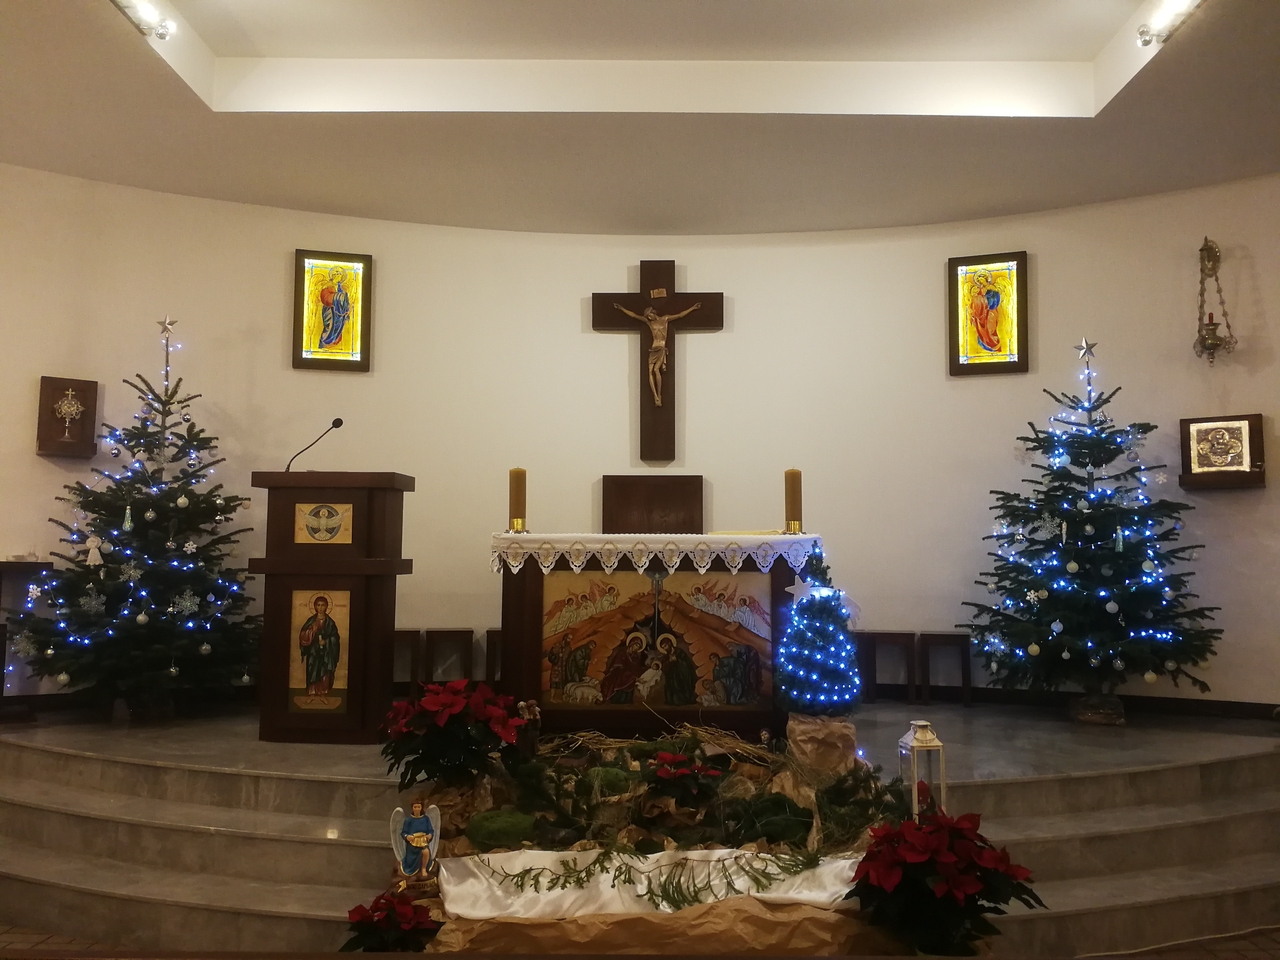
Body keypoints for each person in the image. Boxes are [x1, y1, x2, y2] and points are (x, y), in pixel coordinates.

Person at [612, 301, 703, 406]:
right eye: (647, 316)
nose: (649, 317)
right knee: (650, 371)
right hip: (653, 348)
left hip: (661, 348)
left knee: (656, 370)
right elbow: (634, 315)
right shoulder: (649, 322)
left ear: (653, 312)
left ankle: (659, 395)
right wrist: (621, 308)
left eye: (649, 315)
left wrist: (692, 308)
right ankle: (655, 396)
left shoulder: (665, 319)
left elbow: (679, 315)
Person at [298, 595, 341, 695]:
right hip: (313, 651)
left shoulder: (330, 623)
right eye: (318, 605)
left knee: (324, 671)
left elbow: (335, 638)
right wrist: (311, 632)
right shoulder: (311, 621)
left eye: (323, 605)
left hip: (326, 653)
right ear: (315, 606)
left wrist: (327, 642)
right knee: (312, 670)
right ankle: (312, 693)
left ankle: (323, 693)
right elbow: (303, 636)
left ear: (326, 606)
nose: (320, 607)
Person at [601, 633, 646, 703]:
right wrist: (626, 670)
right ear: (632, 643)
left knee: (632, 678)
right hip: (619, 673)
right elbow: (617, 664)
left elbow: (636, 668)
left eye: (639, 647)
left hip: (629, 675)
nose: (637, 648)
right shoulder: (622, 652)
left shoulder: (635, 657)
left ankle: (627, 700)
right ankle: (617, 698)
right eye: (636, 645)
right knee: (625, 676)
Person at [398, 798, 435, 878]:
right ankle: (411, 868)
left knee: (426, 852)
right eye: (415, 807)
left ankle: (424, 868)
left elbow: (431, 830)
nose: (417, 809)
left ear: (421, 808)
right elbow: (403, 832)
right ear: (412, 808)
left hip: (423, 842)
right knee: (411, 858)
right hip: (412, 845)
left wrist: (430, 835)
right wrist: (407, 836)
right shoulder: (408, 820)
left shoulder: (426, 819)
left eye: (419, 807)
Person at [318, 267, 353, 348]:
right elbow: (325, 297)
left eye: (341, 276)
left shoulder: (341, 288)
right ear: (333, 276)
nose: (339, 278)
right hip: (329, 310)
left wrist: (346, 305)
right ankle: (323, 343)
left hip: (339, 314)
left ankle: (333, 344)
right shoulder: (328, 286)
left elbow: (345, 300)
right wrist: (338, 296)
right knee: (329, 327)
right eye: (338, 275)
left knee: (338, 328)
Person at [659, 634, 698, 706]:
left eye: (665, 646)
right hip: (671, 678)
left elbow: (687, 664)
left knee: (679, 692)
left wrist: (677, 660)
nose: (665, 648)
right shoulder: (666, 656)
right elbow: (663, 667)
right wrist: (669, 662)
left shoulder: (680, 652)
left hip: (681, 676)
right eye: (663, 647)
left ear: (669, 643)